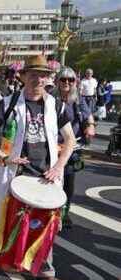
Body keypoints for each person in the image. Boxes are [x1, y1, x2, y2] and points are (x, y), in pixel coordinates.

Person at [0, 55, 76, 280]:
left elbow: (70, 140)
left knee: (46, 224)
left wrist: (59, 165)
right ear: (22, 77)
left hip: (45, 176)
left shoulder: (56, 105)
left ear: (48, 78)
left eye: (42, 75)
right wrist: (3, 155)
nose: (38, 79)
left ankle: (45, 272)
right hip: (13, 174)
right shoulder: (8, 103)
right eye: (33, 74)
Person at [54, 67, 95, 228]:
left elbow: (88, 115)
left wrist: (90, 126)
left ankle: (64, 213)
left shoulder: (78, 99)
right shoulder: (50, 98)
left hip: (72, 147)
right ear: (57, 81)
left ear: (75, 83)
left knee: (68, 183)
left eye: (70, 80)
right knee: (51, 180)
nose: (66, 83)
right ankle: (49, 211)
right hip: (53, 146)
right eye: (63, 79)